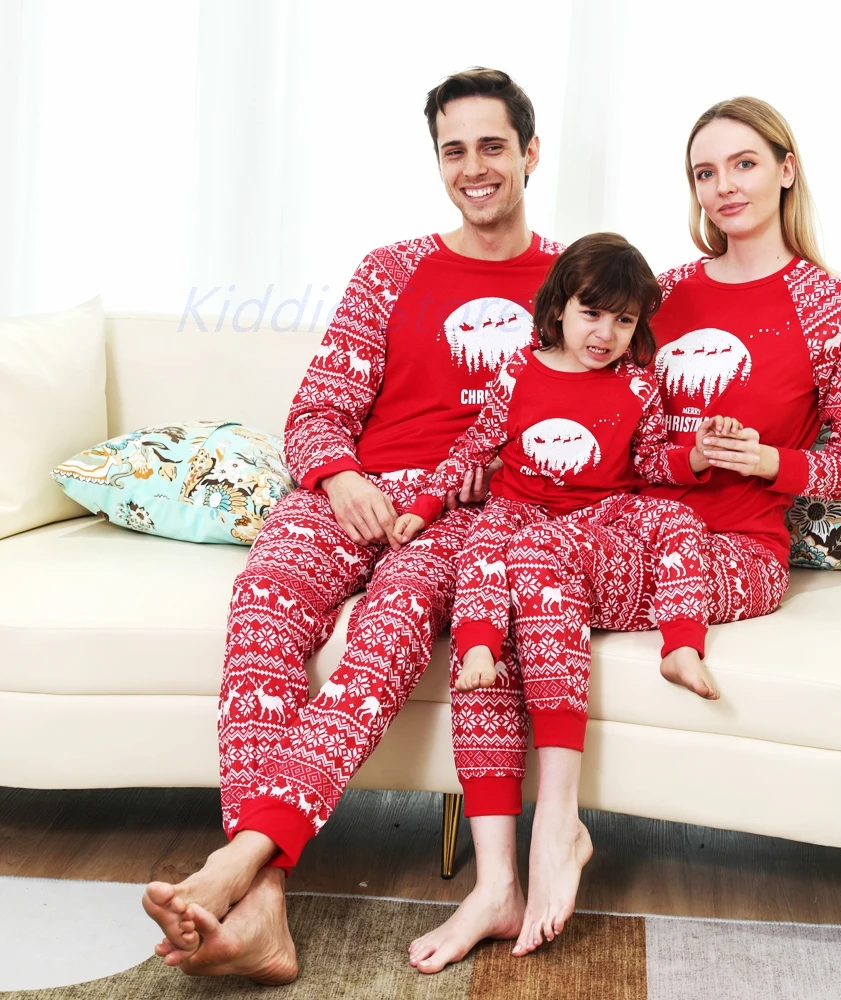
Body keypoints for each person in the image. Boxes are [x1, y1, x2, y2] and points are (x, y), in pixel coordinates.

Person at [410, 95, 841, 971]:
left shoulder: (831, 309)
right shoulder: (663, 292)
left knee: (526, 564)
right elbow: (586, 402)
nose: (724, 186)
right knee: (511, 569)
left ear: (786, 169)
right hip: (617, 524)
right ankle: (499, 878)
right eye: (705, 171)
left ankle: (555, 829)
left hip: (731, 550)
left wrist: (768, 461)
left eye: (745, 163)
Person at [140, 67, 561, 984]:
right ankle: (264, 904)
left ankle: (240, 865)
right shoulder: (390, 269)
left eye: (494, 146)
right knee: (264, 603)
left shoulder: (573, 283)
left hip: (462, 514)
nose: (474, 168)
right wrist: (338, 478)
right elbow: (316, 411)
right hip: (350, 493)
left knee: (389, 629)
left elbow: (593, 422)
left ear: (531, 153)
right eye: (454, 150)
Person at [391, 232, 742, 698]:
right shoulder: (519, 372)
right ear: (559, 307)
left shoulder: (637, 385)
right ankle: (478, 646)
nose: (606, 333)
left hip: (605, 511)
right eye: (592, 313)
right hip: (520, 507)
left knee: (679, 519)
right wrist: (424, 506)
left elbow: (650, 460)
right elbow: (473, 447)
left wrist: (698, 455)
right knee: (481, 545)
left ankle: (681, 645)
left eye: (623, 320)